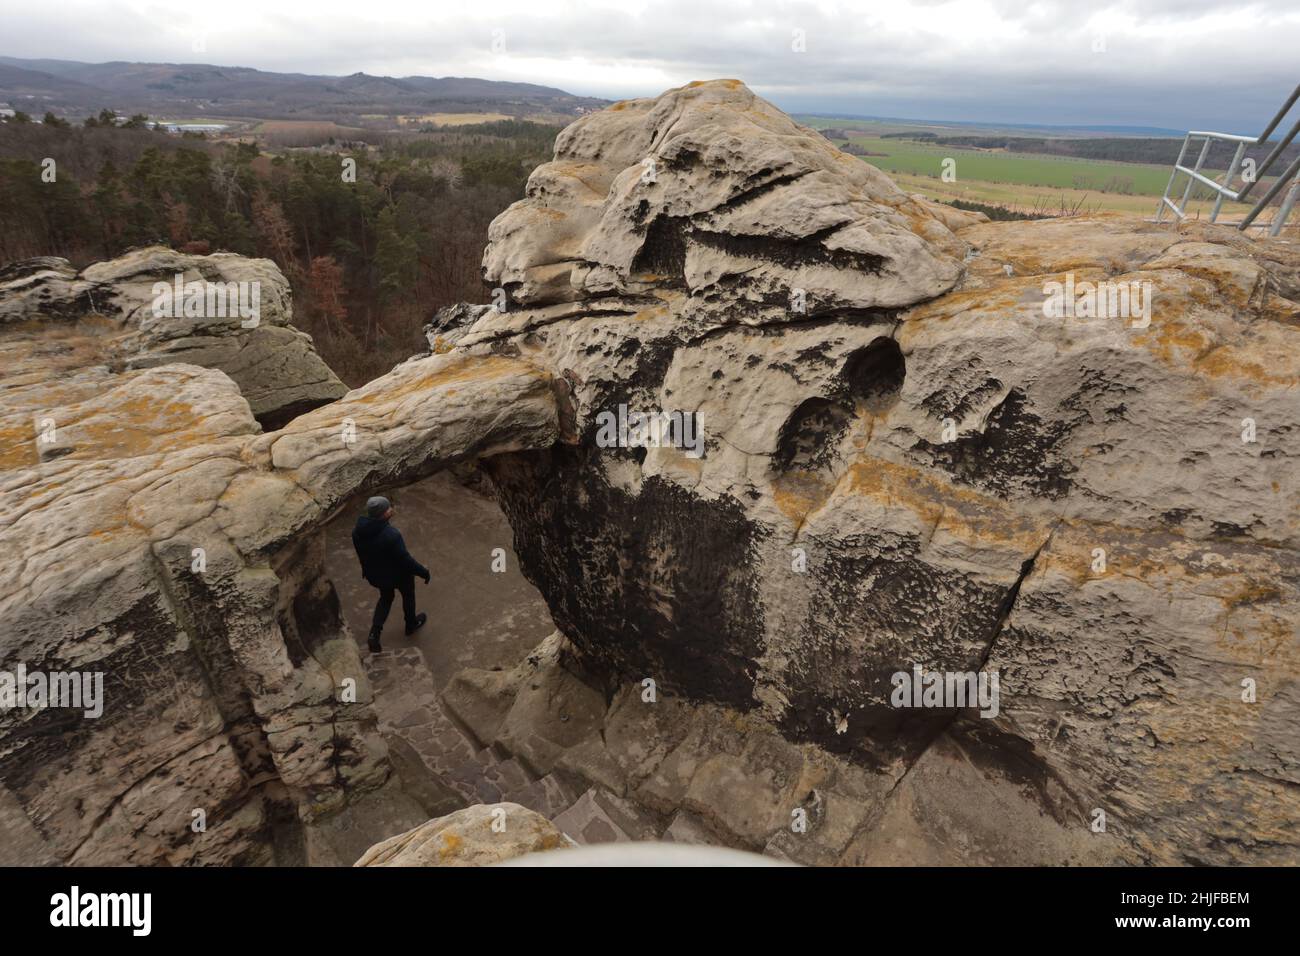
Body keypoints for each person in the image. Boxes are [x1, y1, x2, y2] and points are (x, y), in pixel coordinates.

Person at [351, 495, 429, 653]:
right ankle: (411, 624)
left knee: (386, 599)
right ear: (384, 514)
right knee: (408, 595)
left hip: (377, 575)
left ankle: (374, 633)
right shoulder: (390, 535)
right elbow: (405, 560)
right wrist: (423, 572)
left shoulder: (357, 532)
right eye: (388, 508)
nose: (391, 509)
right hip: (399, 575)